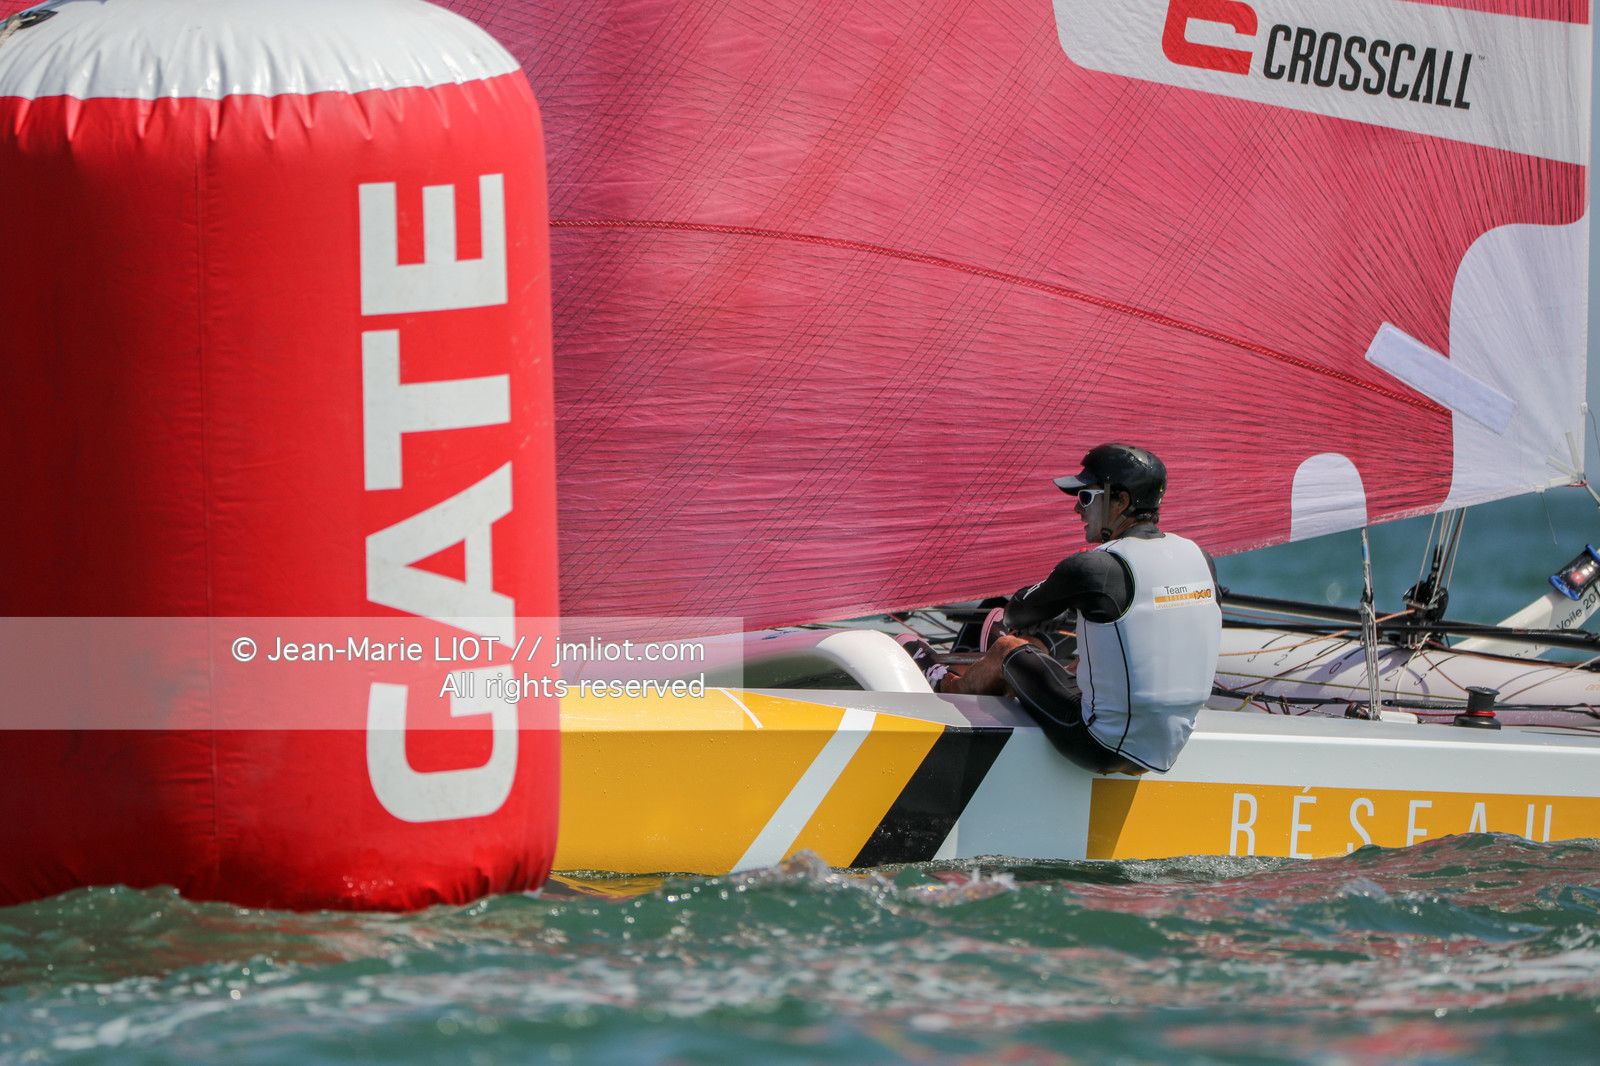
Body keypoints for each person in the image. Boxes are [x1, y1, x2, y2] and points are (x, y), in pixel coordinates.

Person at [919, 443, 1221, 775]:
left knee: (1007, 647)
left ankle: (945, 683)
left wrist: (1066, 591)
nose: (1078, 509)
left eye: (1086, 497)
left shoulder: (1094, 568)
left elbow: (1016, 613)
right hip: (1168, 746)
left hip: (1099, 746)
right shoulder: (1200, 558)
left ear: (1121, 500)